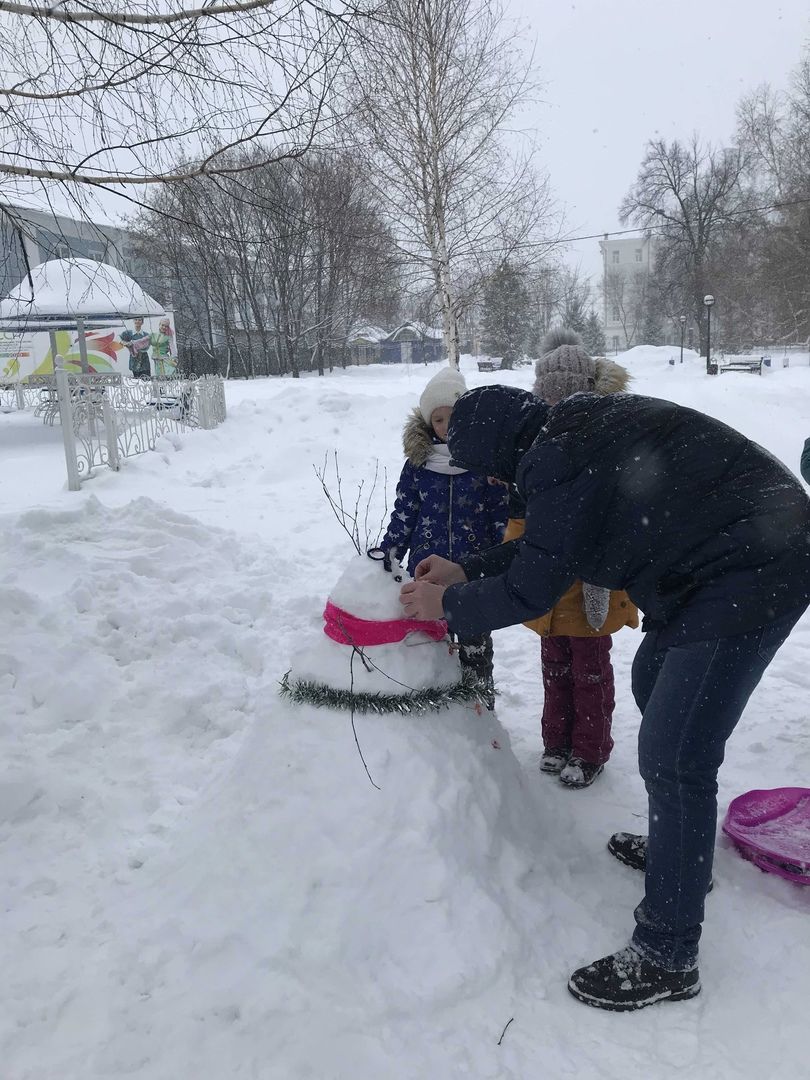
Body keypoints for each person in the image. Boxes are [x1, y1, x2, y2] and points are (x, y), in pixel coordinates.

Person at [400, 380, 810, 1011]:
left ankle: (667, 955)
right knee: (656, 685)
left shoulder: (556, 461)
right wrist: (465, 569)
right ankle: (685, 857)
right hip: (707, 569)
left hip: (751, 569)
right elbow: (547, 549)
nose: (488, 485)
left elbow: (534, 588)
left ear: (497, 452)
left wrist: (449, 605)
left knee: (676, 753)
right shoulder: (562, 437)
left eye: (484, 472)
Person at [509, 330, 638, 787]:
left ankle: (589, 750)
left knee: (590, 670)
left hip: (591, 582)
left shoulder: (608, 438)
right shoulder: (537, 442)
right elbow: (526, 502)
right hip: (548, 579)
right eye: (550, 398)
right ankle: (556, 741)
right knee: (555, 666)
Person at [369, 366, 509, 707]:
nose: (446, 427)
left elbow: (499, 516)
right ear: (428, 423)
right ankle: (440, 714)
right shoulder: (418, 464)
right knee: (432, 643)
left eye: (453, 417)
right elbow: (405, 513)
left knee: (475, 645)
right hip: (426, 572)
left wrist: (502, 557)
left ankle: (479, 707)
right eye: (439, 420)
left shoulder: (482, 461)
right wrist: (390, 553)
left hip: (472, 571)